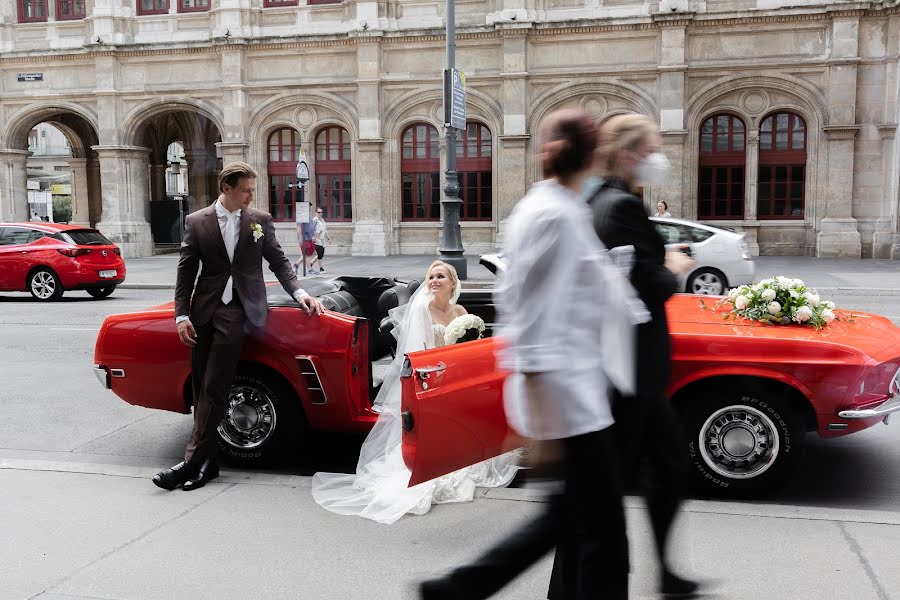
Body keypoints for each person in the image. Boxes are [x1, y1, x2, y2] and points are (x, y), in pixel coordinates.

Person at [420, 108, 645, 600]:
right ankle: (461, 587)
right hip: (569, 400)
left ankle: (462, 587)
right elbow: (531, 317)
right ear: (591, 157)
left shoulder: (551, 208)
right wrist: (539, 421)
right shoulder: (555, 215)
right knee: (599, 530)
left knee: (573, 518)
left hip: (576, 395)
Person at [153, 161, 324, 492]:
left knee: (215, 387)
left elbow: (278, 261)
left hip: (239, 312)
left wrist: (300, 292)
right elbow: (186, 271)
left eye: (252, 190)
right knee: (203, 389)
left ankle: (188, 463)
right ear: (227, 188)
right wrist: (181, 315)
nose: (251, 196)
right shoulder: (197, 221)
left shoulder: (259, 221)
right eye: (246, 189)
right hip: (204, 312)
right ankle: (209, 465)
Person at [584, 113, 700, 598]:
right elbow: (637, 285)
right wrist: (672, 266)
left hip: (634, 371)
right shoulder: (617, 207)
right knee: (596, 499)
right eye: (652, 148)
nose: (659, 157)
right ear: (630, 154)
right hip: (627, 371)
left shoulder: (612, 200)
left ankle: (665, 571)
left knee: (667, 470)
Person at [311, 260, 520, 525]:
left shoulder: (460, 311)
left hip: (455, 375)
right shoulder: (422, 310)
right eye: (431, 276)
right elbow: (420, 355)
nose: (434, 281)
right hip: (432, 378)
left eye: (440, 277)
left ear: (453, 283)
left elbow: (469, 348)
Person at [311, 207, 329, 273]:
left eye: (321, 212)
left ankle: (311, 263)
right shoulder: (314, 220)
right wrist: (313, 237)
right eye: (319, 212)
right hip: (317, 239)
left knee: (321, 254)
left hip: (323, 239)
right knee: (320, 253)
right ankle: (321, 268)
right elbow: (311, 229)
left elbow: (325, 230)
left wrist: (328, 238)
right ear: (315, 213)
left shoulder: (322, 220)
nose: (320, 214)